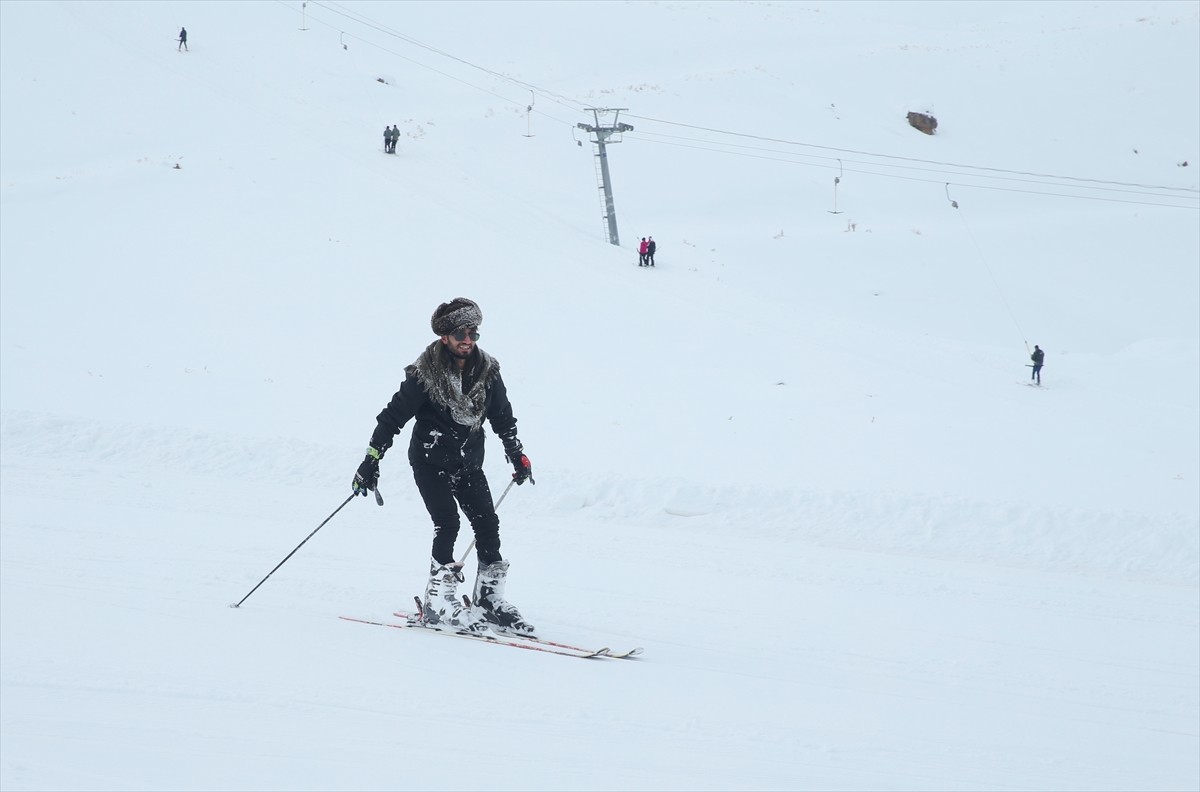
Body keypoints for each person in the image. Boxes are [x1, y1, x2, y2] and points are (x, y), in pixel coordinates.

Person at [352, 298, 536, 636]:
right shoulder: (425, 375)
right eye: (459, 333)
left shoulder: (488, 373)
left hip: (468, 463)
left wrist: (516, 453)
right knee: (448, 523)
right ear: (444, 337)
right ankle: (438, 601)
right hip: (430, 460)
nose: (467, 338)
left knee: (487, 524)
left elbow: (502, 417)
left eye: (472, 332)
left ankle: (489, 602)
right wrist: (371, 459)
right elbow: (392, 418)